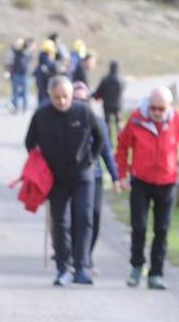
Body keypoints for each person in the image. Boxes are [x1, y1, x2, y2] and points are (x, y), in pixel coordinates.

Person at [24, 75, 114, 286]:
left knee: (84, 217)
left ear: (72, 95)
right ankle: (64, 267)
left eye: (65, 97)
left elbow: (101, 137)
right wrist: (40, 165)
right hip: (55, 177)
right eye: (57, 98)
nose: (62, 102)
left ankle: (82, 267)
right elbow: (29, 142)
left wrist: (90, 158)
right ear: (50, 96)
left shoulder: (83, 111)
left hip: (82, 175)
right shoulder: (41, 115)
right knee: (60, 222)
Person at [115, 86, 179, 290]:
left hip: (166, 182)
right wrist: (122, 175)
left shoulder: (178, 120)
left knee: (161, 230)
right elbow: (122, 147)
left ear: (169, 107)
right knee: (139, 226)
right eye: (153, 108)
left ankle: (156, 273)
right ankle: (137, 267)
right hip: (140, 181)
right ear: (148, 105)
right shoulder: (136, 119)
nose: (157, 113)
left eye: (162, 109)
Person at [73, 80, 120, 265]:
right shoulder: (63, 120)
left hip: (95, 176)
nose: (79, 105)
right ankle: (74, 257)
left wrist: (115, 177)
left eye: (83, 101)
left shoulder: (98, 122)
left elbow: (106, 151)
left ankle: (86, 255)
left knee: (93, 216)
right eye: (75, 100)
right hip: (69, 177)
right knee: (74, 217)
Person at [92, 59, 125, 139]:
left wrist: (94, 96)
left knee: (107, 124)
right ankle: (121, 138)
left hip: (107, 105)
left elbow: (99, 91)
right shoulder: (121, 80)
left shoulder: (105, 79)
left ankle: (109, 140)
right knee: (119, 123)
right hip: (118, 105)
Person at [34, 39, 60, 107]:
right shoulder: (45, 56)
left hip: (42, 79)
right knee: (44, 96)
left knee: (42, 95)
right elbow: (50, 66)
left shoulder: (43, 55)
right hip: (44, 80)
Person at [7, 38, 30, 113]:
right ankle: (24, 109)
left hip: (17, 75)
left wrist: (17, 43)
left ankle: (16, 108)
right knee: (25, 93)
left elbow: (12, 48)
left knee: (15, 93)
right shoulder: (29, 53)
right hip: (25, 76)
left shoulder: (18, 53)